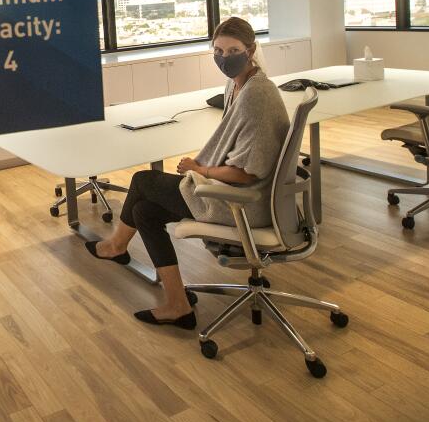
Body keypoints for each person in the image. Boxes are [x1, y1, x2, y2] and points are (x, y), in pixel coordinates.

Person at [85, 17, 290, 329]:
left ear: (250, 50)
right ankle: (177, 304)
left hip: (243, 202)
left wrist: (200, 169)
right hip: (239, 194)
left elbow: (247, 173)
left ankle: (116, 247)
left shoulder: (257, 95)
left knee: (143, 180)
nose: (224, 58)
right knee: (144, 211)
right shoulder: (239, 85)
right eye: (217, 51)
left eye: (232, 50)